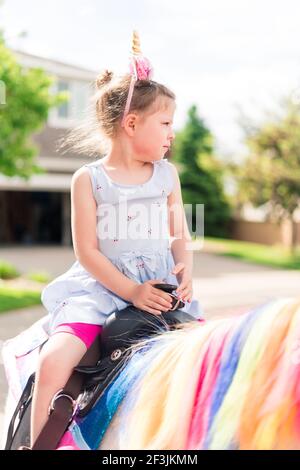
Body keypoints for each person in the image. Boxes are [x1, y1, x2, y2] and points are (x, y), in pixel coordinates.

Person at [18, 30, 204, 448]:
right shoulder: (89, 179)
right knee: (53, 362)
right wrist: (130, 291)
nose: (172, 133)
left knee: (205, 361)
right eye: (166, 123)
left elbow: (180, 234)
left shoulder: (166, 175)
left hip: (158, 287)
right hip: (102, 289)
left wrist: (185, 271)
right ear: (131, 123)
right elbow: (87, 251)